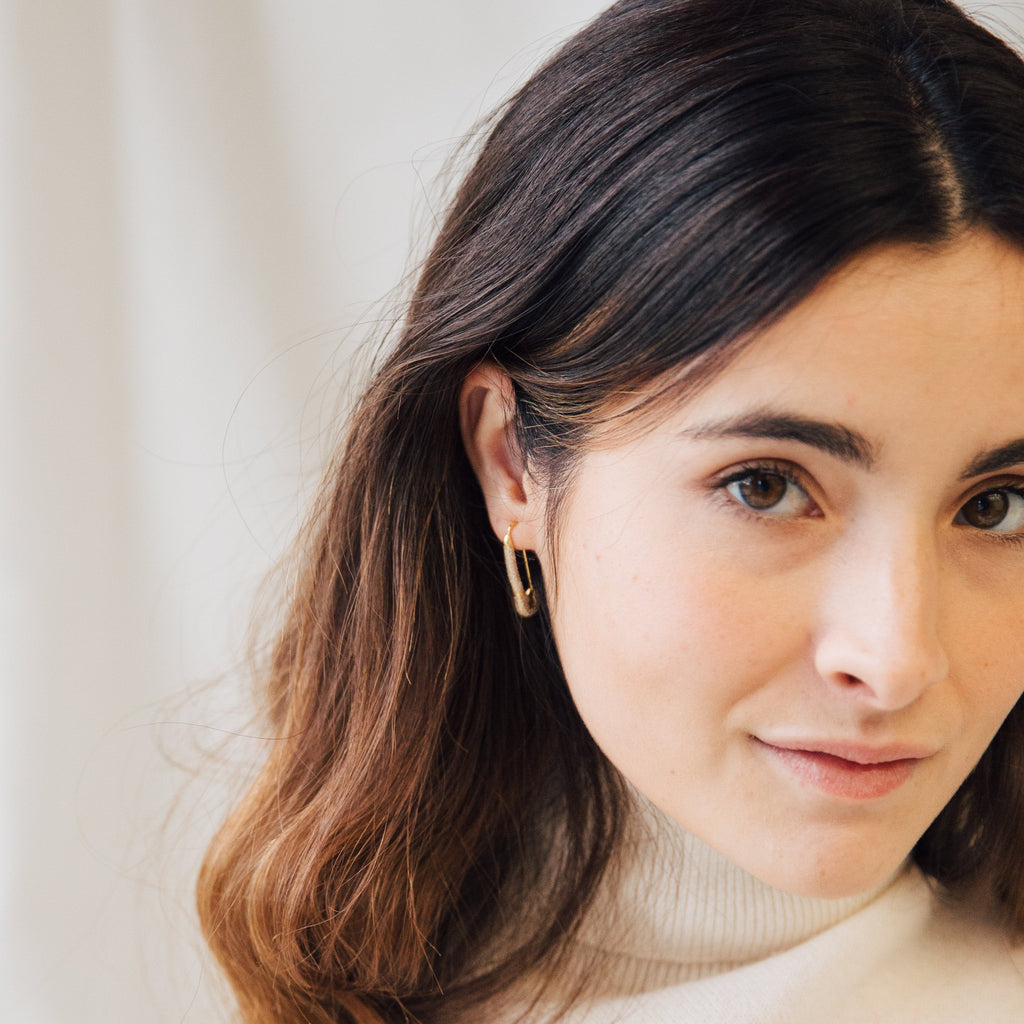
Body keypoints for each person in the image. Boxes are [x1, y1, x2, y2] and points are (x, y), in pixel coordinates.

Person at [196, 0, 1024, 1020]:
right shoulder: (338, 968)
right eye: (766, 486)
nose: (896, 657)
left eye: (998, 505)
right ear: (510, 464)